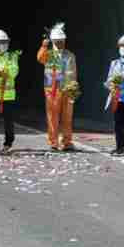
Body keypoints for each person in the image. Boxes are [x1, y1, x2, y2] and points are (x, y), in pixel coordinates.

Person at [37, 24, 78, 152]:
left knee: (67, 117)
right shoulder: (48, 54)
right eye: (57, 41)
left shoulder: (70, 55)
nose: (60, 43)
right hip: (52, 90)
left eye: (62, 41)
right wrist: (44, 45)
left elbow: (73, 72)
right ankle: (53, 142)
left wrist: (73, 88)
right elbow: (40, 58)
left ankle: (66, 142)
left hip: (67, 90)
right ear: (53, 41)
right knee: (52, 117)